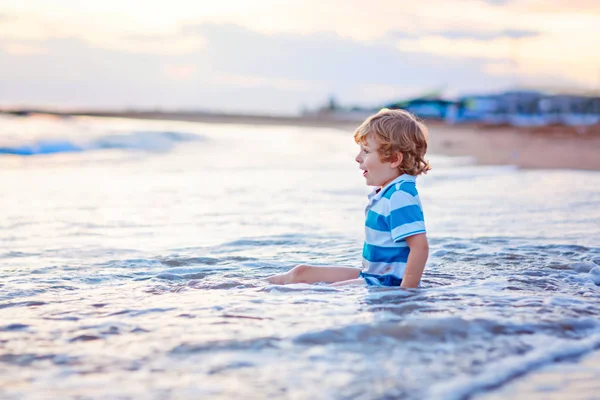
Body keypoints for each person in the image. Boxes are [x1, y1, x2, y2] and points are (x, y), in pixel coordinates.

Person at [268, 108, 431, 288]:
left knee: (325, 292)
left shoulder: (400, 195)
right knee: (301, 273)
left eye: (366, 151)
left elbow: (420, 247)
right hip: (372, 274)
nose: (357, 158)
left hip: (384, 282)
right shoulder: (389, 192)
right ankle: (247, 285)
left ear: (394, 159)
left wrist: (406, 293)